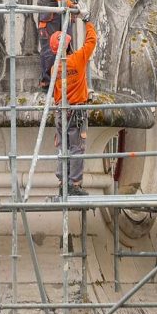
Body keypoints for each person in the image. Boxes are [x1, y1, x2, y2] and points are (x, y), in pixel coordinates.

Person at [49, 14, 98, 197]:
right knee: (77, 147)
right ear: (68, 45)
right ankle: (74, 185)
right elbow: (91, 40)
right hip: (76, 111)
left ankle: (63, 183)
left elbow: (56, 93)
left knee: (63, 147)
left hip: (61, 111)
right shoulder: (77, 59)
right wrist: (87, 21)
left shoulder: (55, 68)